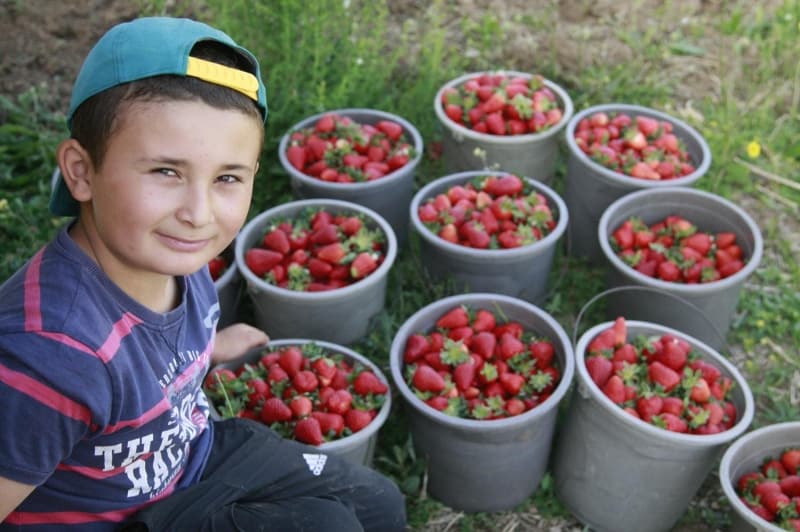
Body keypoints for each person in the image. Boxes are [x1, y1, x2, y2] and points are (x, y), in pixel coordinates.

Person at [0, 16, 405, 531]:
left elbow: (139, 356)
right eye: (166, 172)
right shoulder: (47, 356)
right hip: (127, 518)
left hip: (193, 456)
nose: (199, 212)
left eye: (227, 178)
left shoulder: (170, 253)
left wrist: (206, 348)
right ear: (82, 171)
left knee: (376, 505)